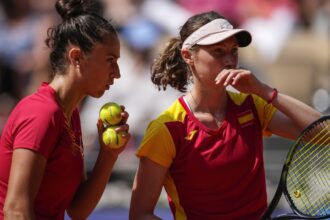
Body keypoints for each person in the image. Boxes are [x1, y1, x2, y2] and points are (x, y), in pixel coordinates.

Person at [129, 11, 321, 220]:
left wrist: (265, 91)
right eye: (218, 51)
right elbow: (140, 214)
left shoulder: (253, 105)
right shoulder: (166, 129)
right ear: (188, 56)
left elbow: (325, 134)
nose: (229, 60)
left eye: (234, 51)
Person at [0, 0, 130, 219]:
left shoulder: (69, 114)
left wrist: (108, 155)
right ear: (76, 57)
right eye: (110, 61)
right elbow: (16, 211)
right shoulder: (41, 113)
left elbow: (77, 210)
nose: (117, 73)